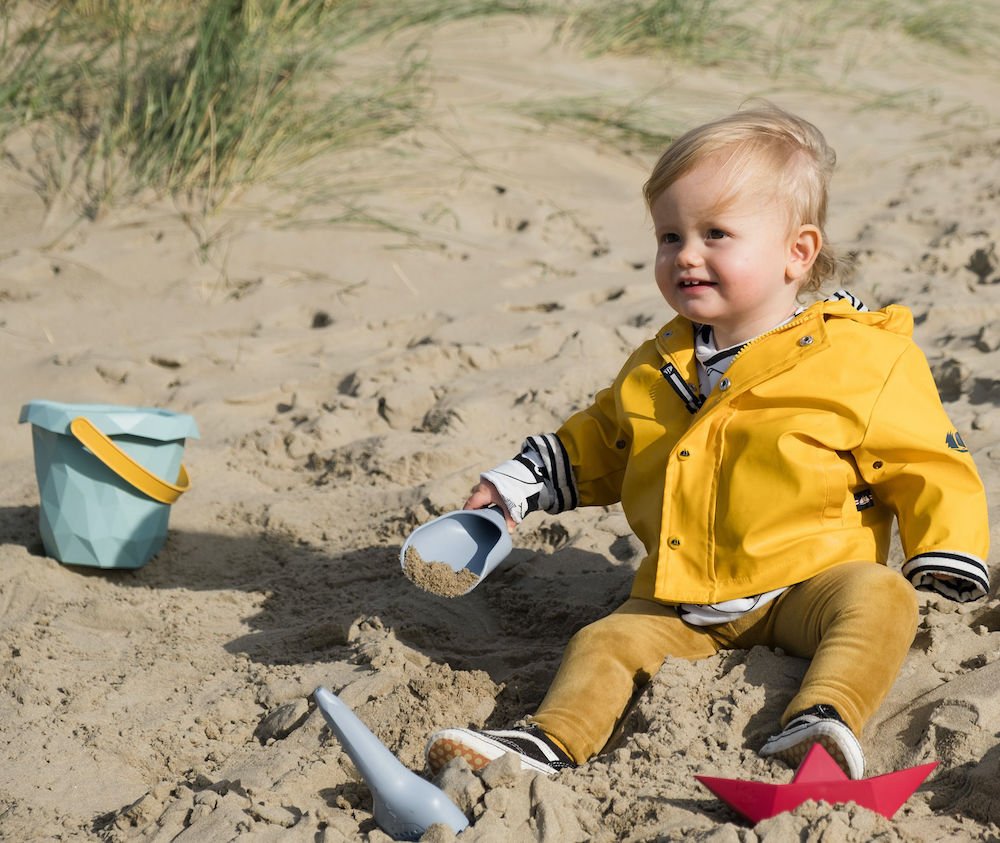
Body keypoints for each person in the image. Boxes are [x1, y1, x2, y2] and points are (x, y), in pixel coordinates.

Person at [424, 104, 991, 781]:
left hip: (808, 583)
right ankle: (551, 739)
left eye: (715, 233)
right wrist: (516, 483)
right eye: (670, 235)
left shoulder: (860, 359)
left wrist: (945, 547)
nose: (686, 255)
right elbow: (601, 441)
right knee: (605, 638)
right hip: (683, 600)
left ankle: (822, 716)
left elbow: (925, 457)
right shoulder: (657, 364)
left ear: (797, 252)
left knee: (880, 598)